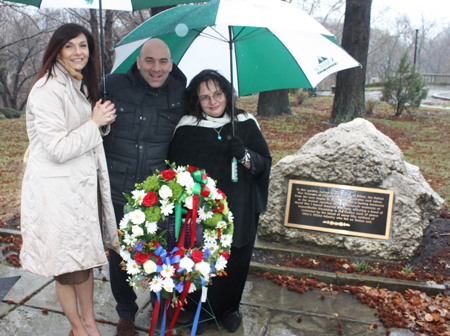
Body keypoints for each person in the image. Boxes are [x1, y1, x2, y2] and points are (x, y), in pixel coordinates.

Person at [20, 23, 119, 336]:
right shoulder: (47, 89)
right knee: (66, 267)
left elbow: (82, 129)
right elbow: (58, 148)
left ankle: (88, 323)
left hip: (77, 191)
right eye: (70, 46)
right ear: (57, 50)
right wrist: (94, 123)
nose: (79, 53)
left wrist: (100, 122)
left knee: (84, 259)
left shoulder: (75, 83)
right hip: (57, 193)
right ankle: (79, 327)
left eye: (83, 46)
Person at [168, 69, 271, 333]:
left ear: (226, 92)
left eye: (218, 93)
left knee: (235, 258)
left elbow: (263, 165)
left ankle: (229, 308)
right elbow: (176, 173)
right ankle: (197, 310)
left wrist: (245, 155)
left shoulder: (245, 123)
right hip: (201, 212)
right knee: (201, 257)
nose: (213, 101)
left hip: (239, 205)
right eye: (204, 97)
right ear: (196, 100)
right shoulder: (188, 127)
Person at [101, 38, 186, 336]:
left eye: (163, 61)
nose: (156, 68)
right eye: (149, 61)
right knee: (120, 255)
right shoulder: (111, 86)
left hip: (156, 192)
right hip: (116, 187)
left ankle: (158, 307)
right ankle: (126, 313)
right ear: (137, 62)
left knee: (158, 254)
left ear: (171, 64)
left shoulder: (180, 95)